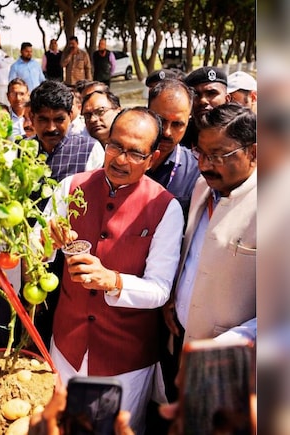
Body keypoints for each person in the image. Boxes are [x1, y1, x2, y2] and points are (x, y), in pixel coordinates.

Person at [46, 107, 184, 432]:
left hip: (126, 361)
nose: (121, 160)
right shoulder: (69, 187)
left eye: (135, 153)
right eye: (116, 146)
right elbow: (35, 257)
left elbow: (160, 289)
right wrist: (45, 244)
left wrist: (112, 280)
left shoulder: (166, 209)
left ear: (152, 158)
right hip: (67, 349)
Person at [162, 103, 256, 354]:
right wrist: (175, 299)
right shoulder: (203, 188)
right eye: (200, 153)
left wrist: (221, 347)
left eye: (216, 156)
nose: (203, 165)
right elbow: (193, 256)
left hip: (230, 363)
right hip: (180, 339)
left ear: (254, 153)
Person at [146, 79, 201, 219]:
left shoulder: (196, 173)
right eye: (161, 120)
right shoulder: (123, 158)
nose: (167, 132)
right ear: (148, 112)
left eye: (177, 124)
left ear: (188, 121)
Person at [29, 80, 104, 182]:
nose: (51, 128)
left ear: (70, 116)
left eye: (59, 119)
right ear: (32, 118)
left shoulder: (89, 149)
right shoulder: (21, 150)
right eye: (43, 120)